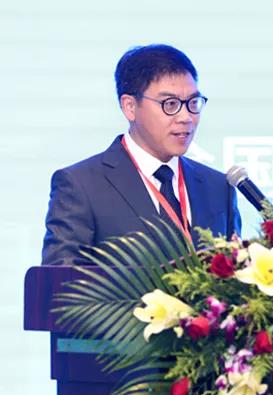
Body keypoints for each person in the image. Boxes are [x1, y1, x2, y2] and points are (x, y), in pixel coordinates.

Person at [42, 44, 241, 266]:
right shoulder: (81, 186)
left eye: (193, 103)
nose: (186, 117)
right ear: (130, 106)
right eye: (170, 104)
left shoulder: (218, 187)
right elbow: (62, 281)